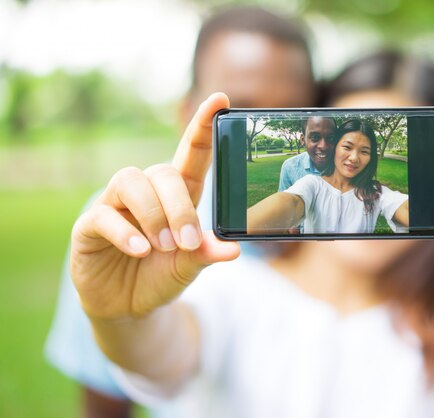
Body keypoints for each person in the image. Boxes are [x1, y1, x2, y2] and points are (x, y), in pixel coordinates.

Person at [68, 77, 434, 418]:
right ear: (327, 149)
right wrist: (117, 318)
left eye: (364, 148)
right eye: (345, 143)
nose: (353, 154)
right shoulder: (239, 284)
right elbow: (162, 359)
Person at [44, 6, 317, 418]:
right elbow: (106, 399)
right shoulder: (124, 224)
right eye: (239, 113)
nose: (266, 124)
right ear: (186, 114)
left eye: (292, 113)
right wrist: (119, 321)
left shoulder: (345, 234)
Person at [249, 118, 408, 234]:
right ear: (336, 148)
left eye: (364, 151)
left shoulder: (375, 192)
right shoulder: (311, 184)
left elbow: (403, 207)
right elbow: (289, 203)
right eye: (347, 147)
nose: (354, 157)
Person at [278, 116, 338, 191]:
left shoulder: (343, 167)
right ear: (303, 140)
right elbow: (284, 200)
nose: (323, 146)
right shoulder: (290, 167)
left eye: (331, 138)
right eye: (315, 137)